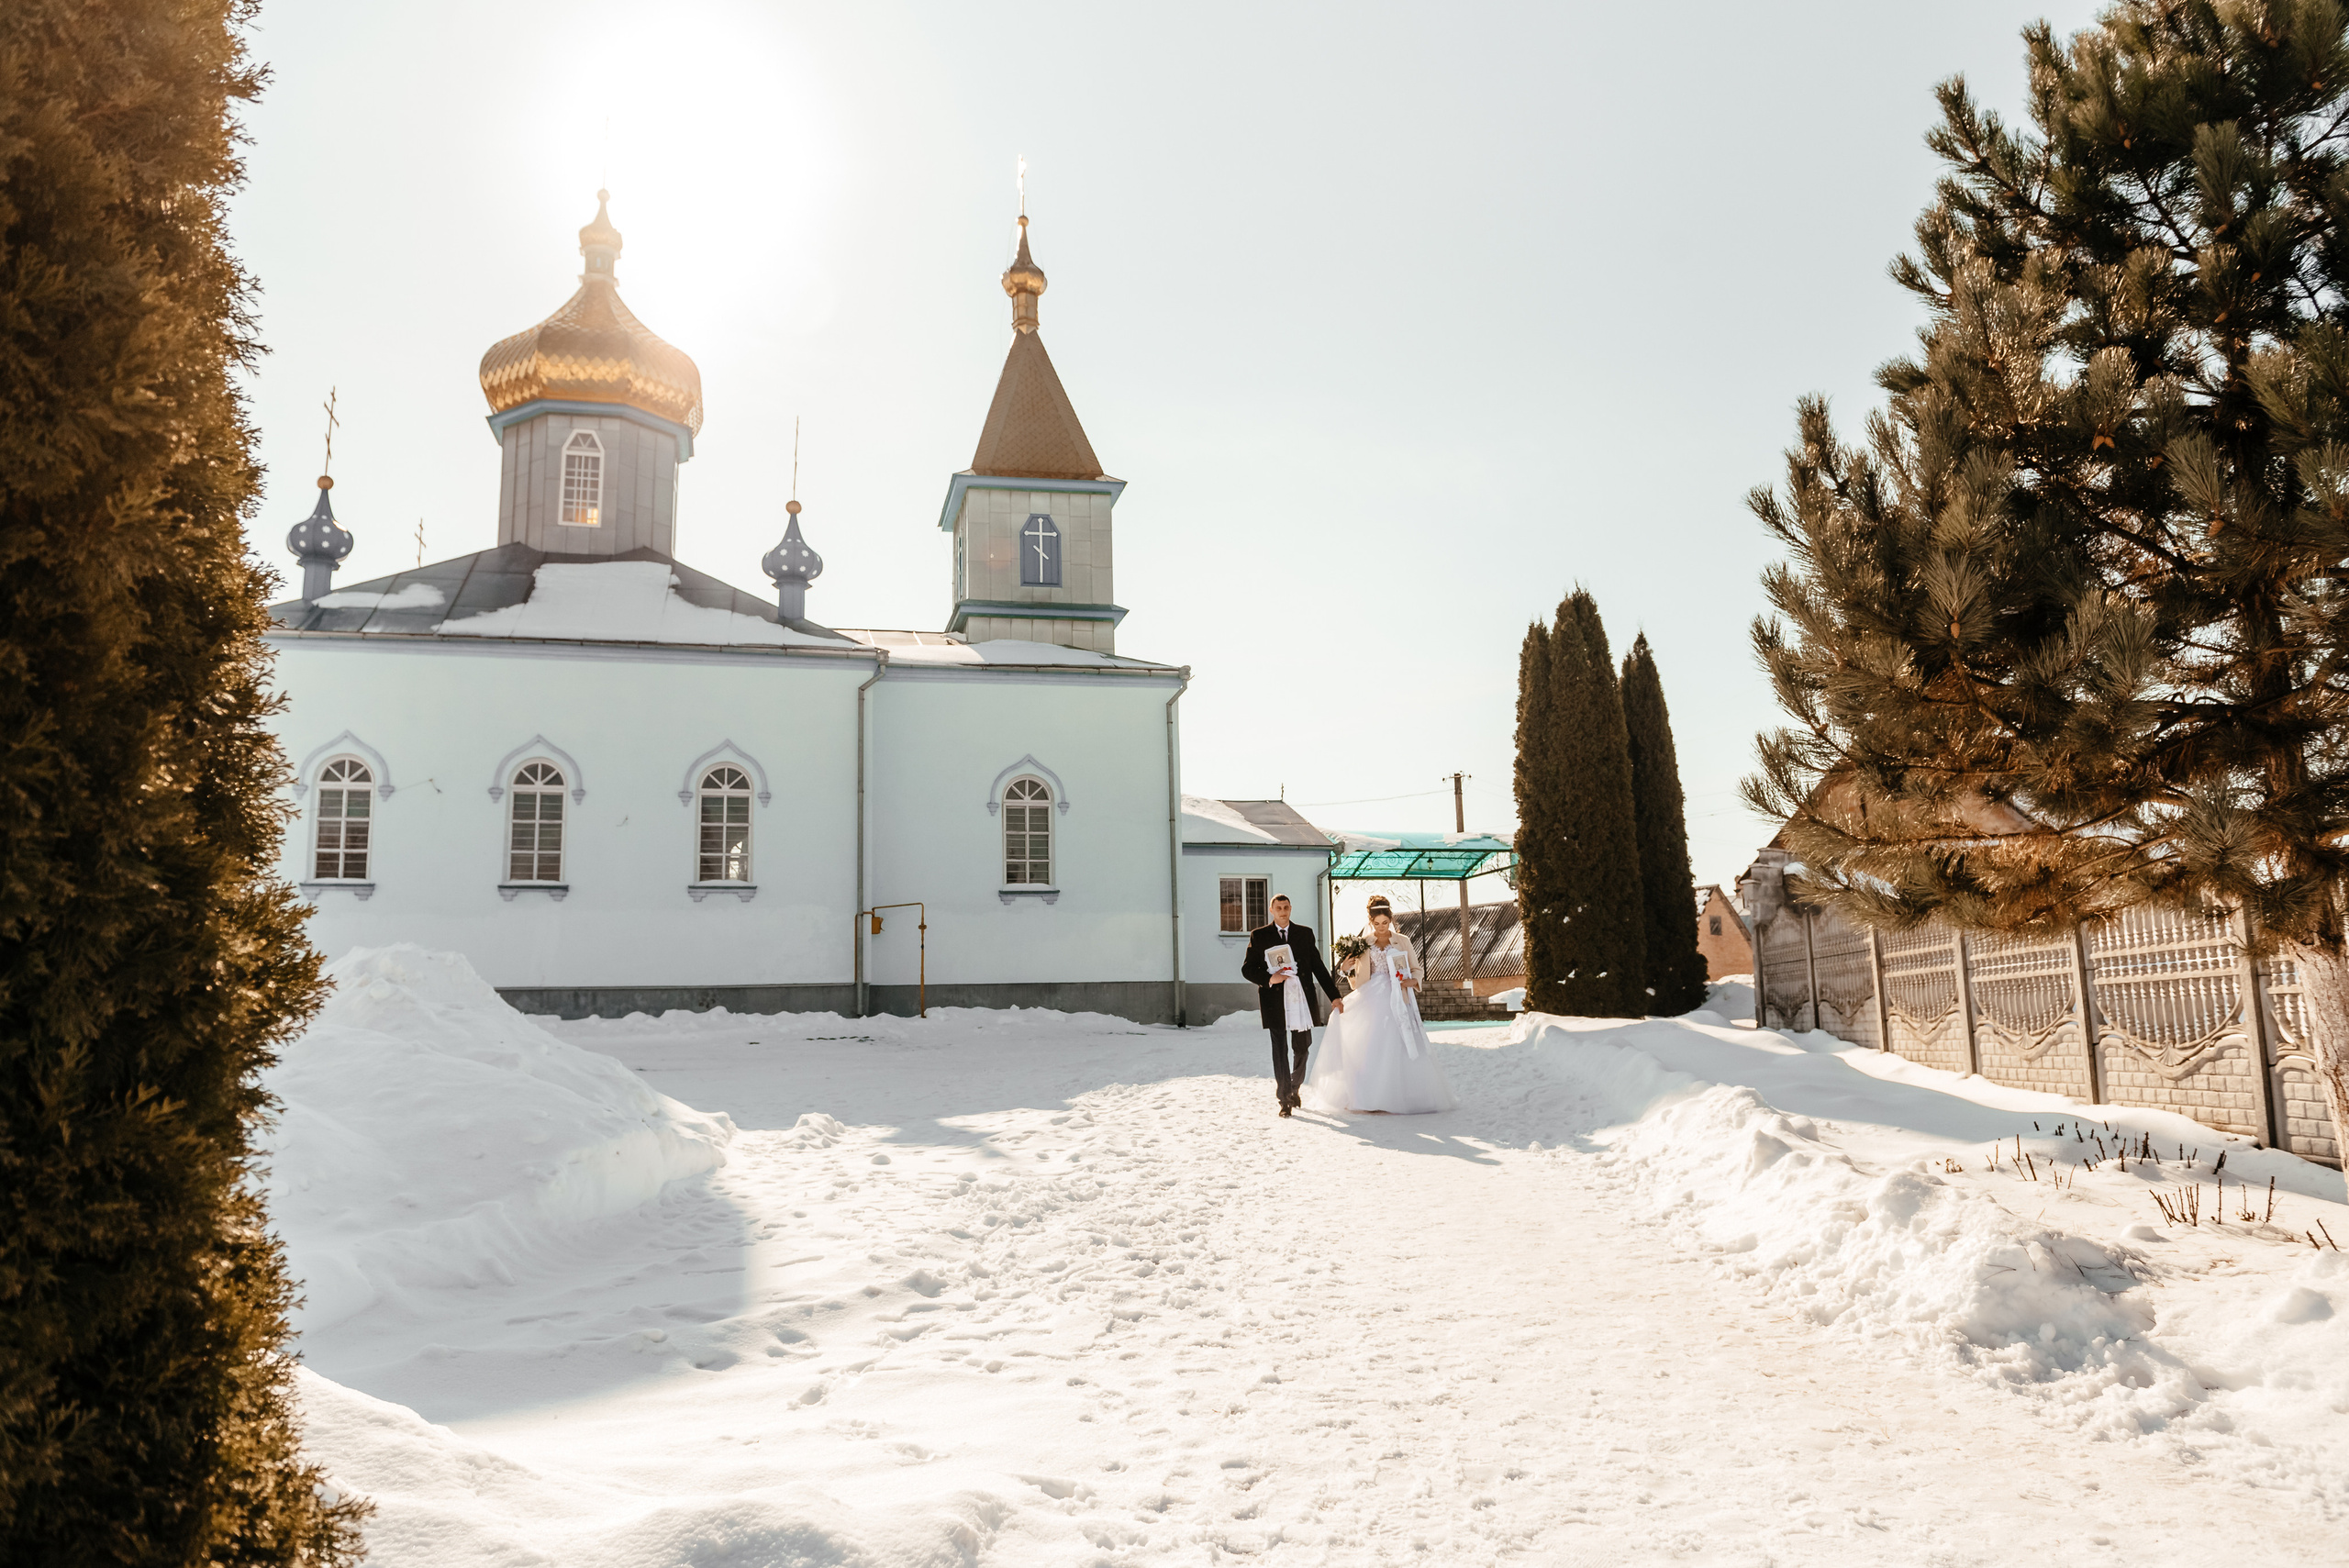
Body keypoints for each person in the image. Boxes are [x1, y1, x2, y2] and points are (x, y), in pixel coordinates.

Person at [1302, 895, 1457, 1115]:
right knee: (1370, 1043)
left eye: (1386, 923)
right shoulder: (1363, 943)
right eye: (1377, 924)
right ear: (1370, 921)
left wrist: (1412, 981)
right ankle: (1368, 1095)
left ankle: (1402, 1095)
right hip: (1371, 994)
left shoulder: (1402, 940)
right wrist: (1344, 969)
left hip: (1398, 995)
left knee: (1398, 1043)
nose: (1382, 927)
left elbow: (1416, 969)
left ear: (1391, 920)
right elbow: (1355, 975)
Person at [1239, 893, 1343, 1118]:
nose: (1283, 911)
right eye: (1279, 908)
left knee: (1303, 1047)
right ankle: (1284, 1099)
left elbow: (1318, 967)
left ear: (1290, 909)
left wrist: (1334, 996)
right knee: (1279, 1049)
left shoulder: (1304, 934)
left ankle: (1294, 1086)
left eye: (1286, 907)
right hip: (1274, 999)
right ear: (1271, 910)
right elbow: (1247, 969)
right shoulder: (1260, 935)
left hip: (1301, 999)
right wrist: (1269, 978)